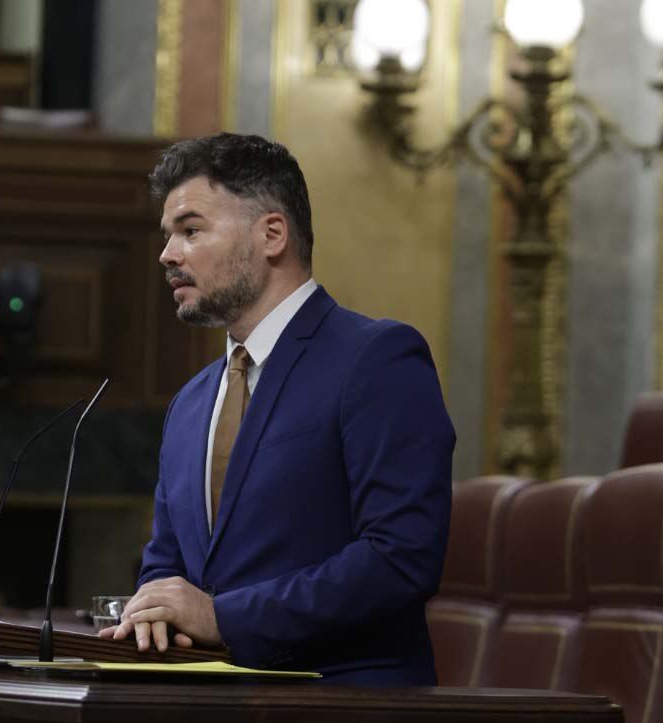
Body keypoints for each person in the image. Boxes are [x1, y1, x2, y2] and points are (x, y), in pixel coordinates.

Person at [99, 132, 455, 685]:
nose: (167, 254)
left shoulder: (377, 359)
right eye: (168, 236)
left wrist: (224, 618)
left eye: (191, 230)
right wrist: (151, 614)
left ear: (271, 235)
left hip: (342, 703)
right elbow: (168, 564)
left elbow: (400, 558)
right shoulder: (190, 403)